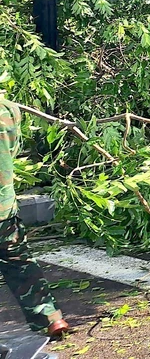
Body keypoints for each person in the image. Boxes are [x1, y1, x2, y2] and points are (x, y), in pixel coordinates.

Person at [0, 92, 69, 338]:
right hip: (4, 205)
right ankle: (51, 318)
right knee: (19, 262)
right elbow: (13, 148)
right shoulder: (8, 108)